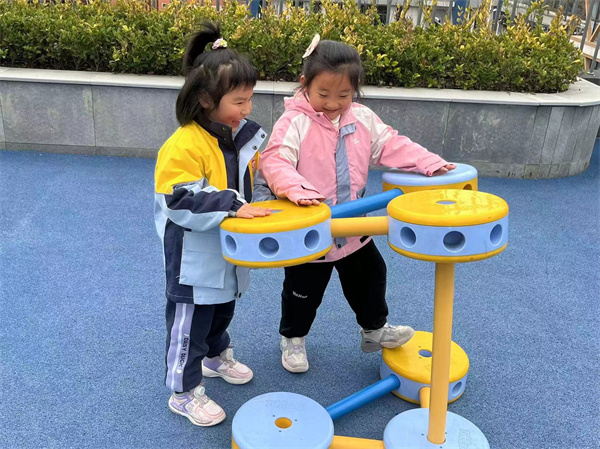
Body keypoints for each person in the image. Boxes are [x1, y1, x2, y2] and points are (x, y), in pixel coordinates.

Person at [256, 35, 456, 373]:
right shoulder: (295, 122)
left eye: (344, 95)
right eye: (323, 94)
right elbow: (275, 160)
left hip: (353, 227)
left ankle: (374, 330)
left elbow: (391, 145)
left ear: (355, 91)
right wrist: (296, 189)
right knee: (302, 290)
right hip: (312, 228)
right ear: (305, 84)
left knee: (372, 276)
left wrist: (429, 162)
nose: (333, 103)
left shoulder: (361, 118)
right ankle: (293, 338)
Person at [154, 23, 271, 426]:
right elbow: (179, 198)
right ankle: (183, 391)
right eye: (239, 101)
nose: (247, 109)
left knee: (223, 306)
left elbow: (254, 179)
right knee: (191, 320)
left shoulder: (239, 137)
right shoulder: (184, 144)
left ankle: (216, 356)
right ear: (206, 99)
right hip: (193, 253)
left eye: (250, 98)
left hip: (227, 245)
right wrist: (234, 205)